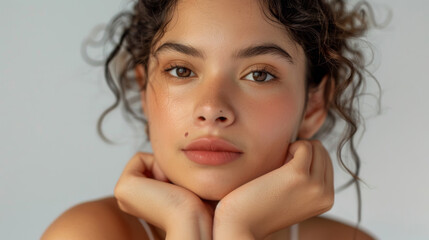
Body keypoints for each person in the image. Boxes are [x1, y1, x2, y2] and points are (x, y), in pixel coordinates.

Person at [42, 0, 378, 239]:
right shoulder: (86, 234)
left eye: (259, 74)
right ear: (144, 90)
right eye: (181, 70)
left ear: (313, 106)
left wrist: (237, 228)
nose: (212, 108)